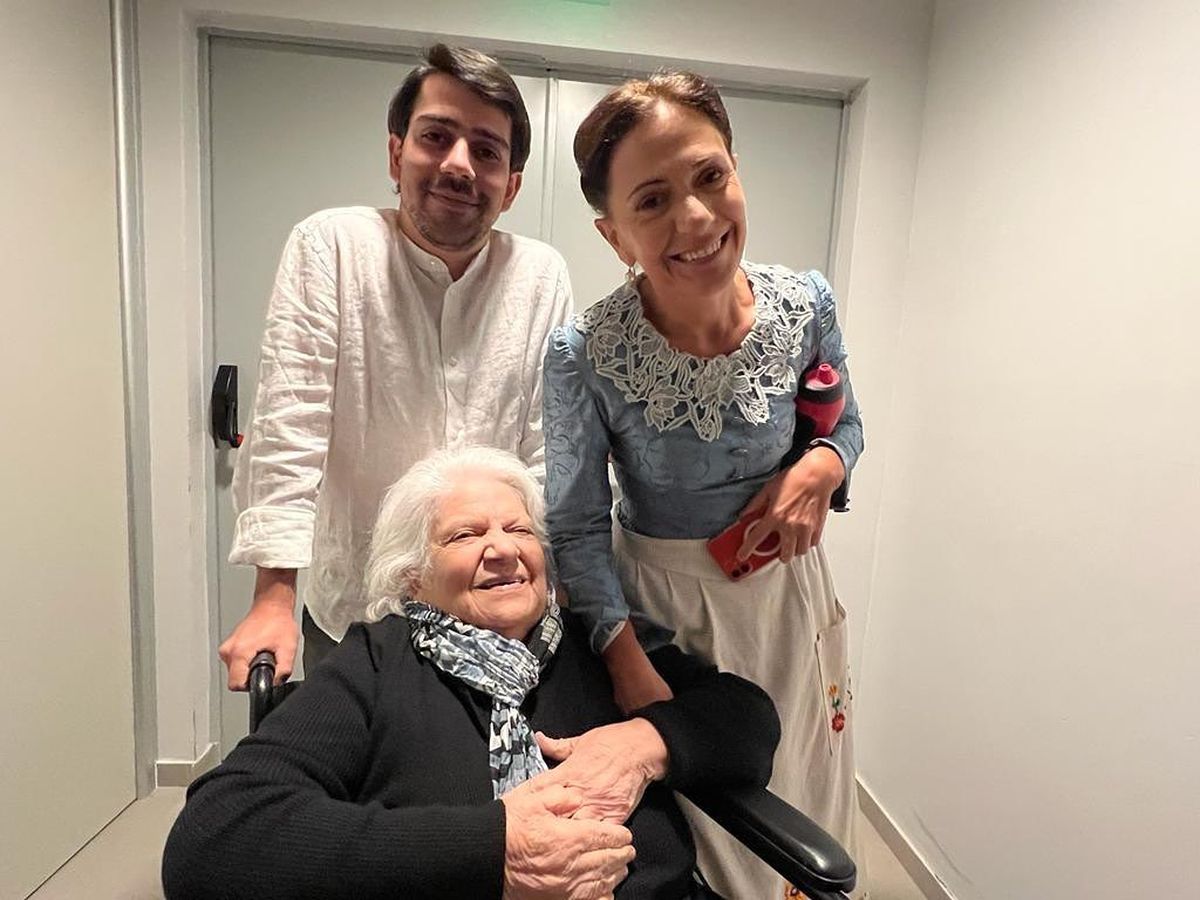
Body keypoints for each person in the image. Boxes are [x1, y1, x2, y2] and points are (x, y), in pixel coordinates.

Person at [163, 447, 780, 899]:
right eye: (465, 535)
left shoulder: (600, 646)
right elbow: (213, 838)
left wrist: (648, 743)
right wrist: (494, 851)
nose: (504, 548)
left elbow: (746, 716)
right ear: (412, 577)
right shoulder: (377, 663)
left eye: (518, 530)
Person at [543, 71, 865, 899]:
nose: (694, 218)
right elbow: (575, 527)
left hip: (789, 601)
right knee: (708, 833)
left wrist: (820, 468)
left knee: (803, 792)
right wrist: (622, 658)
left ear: (735, 171)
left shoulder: (806, 305)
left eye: (710, 177)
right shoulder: (584, 353)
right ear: (615, 236)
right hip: (667, 622)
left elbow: (847, 428)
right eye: (651, 201)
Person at [219, 44, 572, 691]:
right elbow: (288, 428)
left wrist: (544, 583)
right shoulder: (333, 247)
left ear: (512, 185)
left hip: (493, 619)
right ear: (396, 153)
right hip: (356, 612)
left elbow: (548, 449)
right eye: (437, 136)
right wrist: (273, 598)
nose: (459, 165)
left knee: (488, 787)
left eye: (487, 150)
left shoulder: (539, 274)